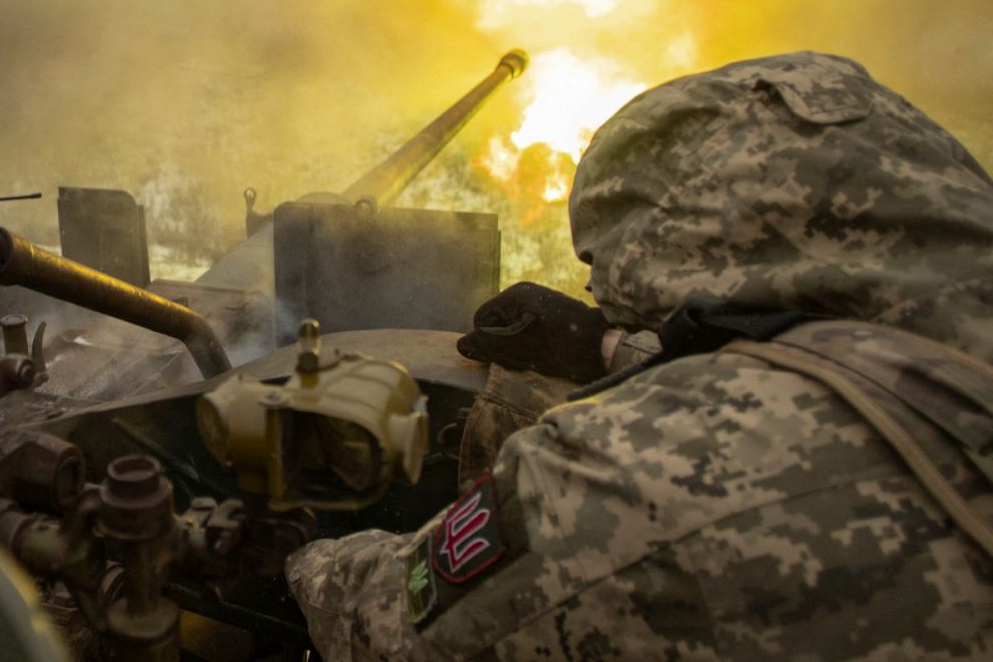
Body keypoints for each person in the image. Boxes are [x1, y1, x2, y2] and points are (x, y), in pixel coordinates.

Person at [286, 51, 993, 659]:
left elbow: (388, 629)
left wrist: (297, 554)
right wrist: (610, 348)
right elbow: (845, 351)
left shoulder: (643, 471)